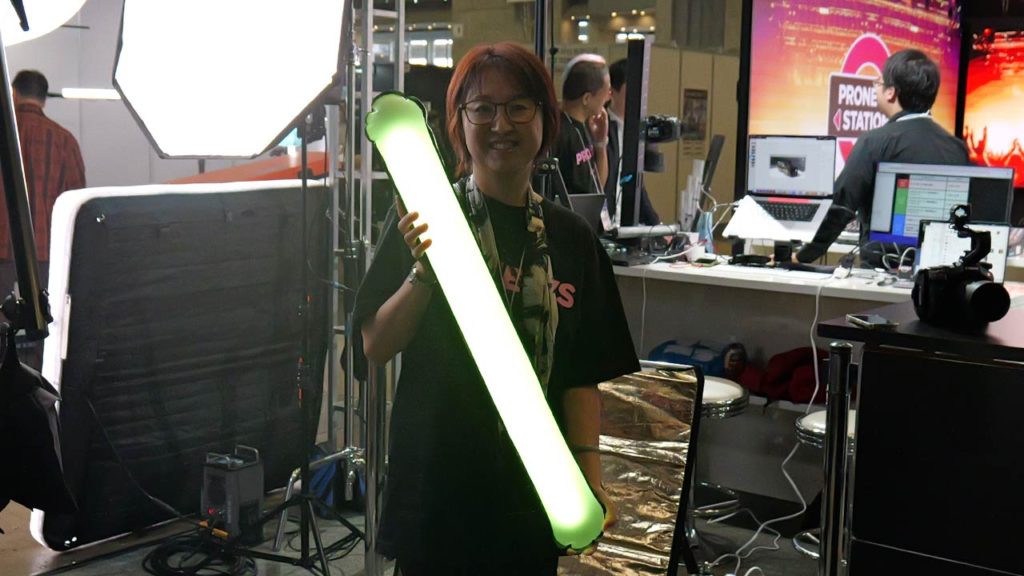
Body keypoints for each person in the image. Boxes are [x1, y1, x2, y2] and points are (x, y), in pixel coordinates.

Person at [352, 43, 639, 575]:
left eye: (518, 107)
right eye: (482, 108)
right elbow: (375, 345)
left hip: (532, 491)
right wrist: (425, 273)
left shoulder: (572, 240)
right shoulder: (426, 220)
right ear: (459, 124)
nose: (500, 124)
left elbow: (581, 378)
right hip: (436, 494)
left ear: (545, 121)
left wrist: (589, 480)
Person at [795, 50, 969, 268]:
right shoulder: (957, 148)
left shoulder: (874, 142)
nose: (875, 88)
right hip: (941, 272)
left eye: (878, 83)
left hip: (882, 271)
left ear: (891, 93)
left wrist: (802, 256)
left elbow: (840, 207)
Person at [0, 70, 86, 295]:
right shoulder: (65, 140)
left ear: (13, 93)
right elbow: (77, 202)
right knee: (43, 314)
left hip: (2, 246)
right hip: (45, 249)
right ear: (44, 98)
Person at [606, 58, 660, 226]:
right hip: (606, 222)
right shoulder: (600, 127)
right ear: (612, 91)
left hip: (629, 222)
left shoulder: (638, 129)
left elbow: (638, 184)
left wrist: (656, 225)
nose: (636, 97)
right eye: (630, 90)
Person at [552, 54, 611, 200]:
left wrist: (600, 143)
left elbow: (597, 189)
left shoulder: (586, 126)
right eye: (606, 92)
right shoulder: (558, 133)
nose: (608, 98)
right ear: (587, 98)